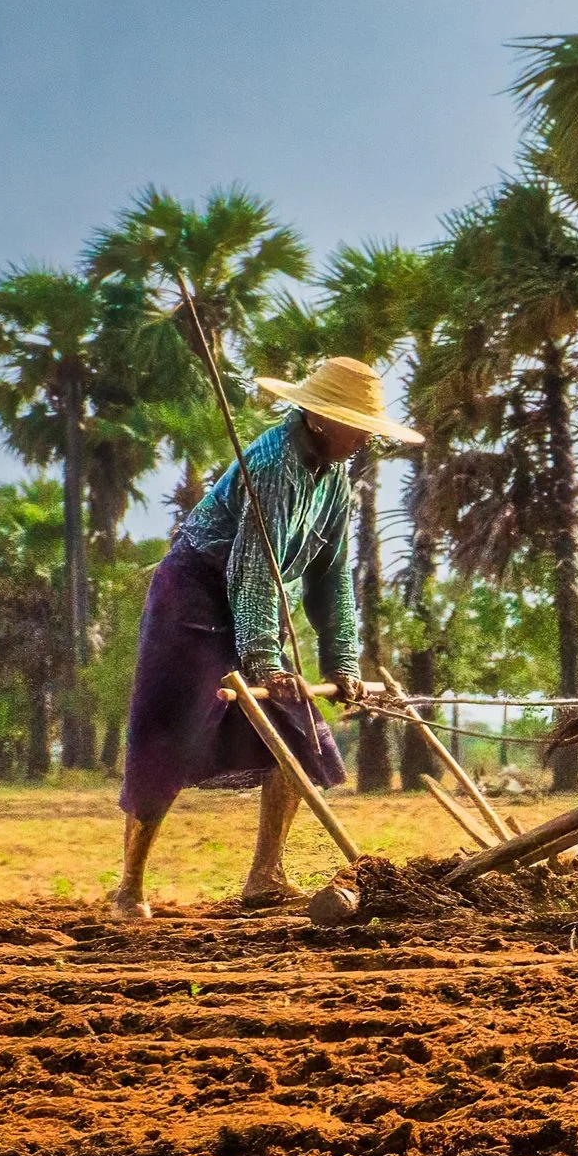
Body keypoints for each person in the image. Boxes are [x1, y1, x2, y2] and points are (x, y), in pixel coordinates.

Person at [110, 358, 423, 919]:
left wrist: (342, 661)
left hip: (254, 604)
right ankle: (130, 886)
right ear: (321, 418)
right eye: (355, 425)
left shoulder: (335, 479)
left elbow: (331, 579)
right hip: (193, 598)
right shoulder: (275, 463)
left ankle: (266, 874)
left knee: (297, 729)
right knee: (167, 736)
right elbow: (251, 564)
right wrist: (262, 659)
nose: (363, 438)